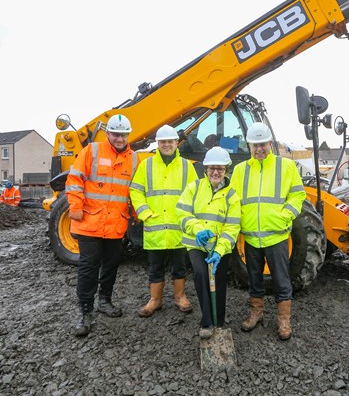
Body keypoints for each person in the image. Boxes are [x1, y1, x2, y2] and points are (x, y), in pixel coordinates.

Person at [230, 122, 306, 340]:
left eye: (262, 144)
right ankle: (256, 312)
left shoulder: (286, 167)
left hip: (277, 236)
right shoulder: (240, 170)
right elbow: (233, 200)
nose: (259, 149)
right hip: (251, 237)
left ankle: (283, 320)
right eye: (254, 145)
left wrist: (285, 216)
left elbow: (298, 195)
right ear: (249, 146)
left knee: (282, 281)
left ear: (270, 144)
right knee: (255, 280)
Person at [66, 114, 139, 337]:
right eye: (116, 134)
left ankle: (104, 301)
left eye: (123, 134)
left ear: (128, 135)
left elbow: (135, 190)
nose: (119, 138)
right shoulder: (92, 151)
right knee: (88, 267)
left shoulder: (134, 158)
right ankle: (85, 311)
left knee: (111, 266)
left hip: (116, 224)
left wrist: (136, 213)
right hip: (89, 222)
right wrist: (75, 208)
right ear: (108, 133)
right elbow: (74, 180)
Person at [129, 125, 198, 318]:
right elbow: (135, 189)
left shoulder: (186, 166)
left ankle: (180, 297)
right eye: (163, 142)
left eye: (170, 141)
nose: (167, 145)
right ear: (158, 144)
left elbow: (195, 193)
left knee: (180, 265)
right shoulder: (147, 165)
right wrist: (144, 212)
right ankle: (155, 300)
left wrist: (189, 217)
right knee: (155, 266)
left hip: (178, 227)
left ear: (177, 143)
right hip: (155, 226)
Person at [176, 146, 240, 338]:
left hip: (219, 249)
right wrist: (198, 229)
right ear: (205, 169)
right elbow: (182, 213)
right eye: (212, 168)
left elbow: (232, 227)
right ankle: (206, 322)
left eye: (220, 168)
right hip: (196, 244)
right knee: (201, 275)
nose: (215, 172)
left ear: (226, 170)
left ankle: (219, 322)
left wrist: (219, 251)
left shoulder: (232, 196)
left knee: (219, 281)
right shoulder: (194, 188)